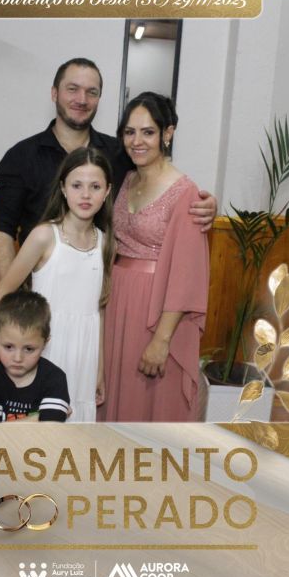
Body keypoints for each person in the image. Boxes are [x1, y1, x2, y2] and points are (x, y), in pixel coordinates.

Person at [0, 57, 216, 281]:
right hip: (38, 292)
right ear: (54, 93)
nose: (82, 99)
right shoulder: (22, 156)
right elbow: (1, 231)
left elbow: (159, 183)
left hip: (103, 292)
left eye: (92, 92)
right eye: (72, 89)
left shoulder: (121, 154)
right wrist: (13, 298)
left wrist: (203, 204)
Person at [99, 92, 209, 422]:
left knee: (150, 402)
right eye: (129, 132)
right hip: (118, 302)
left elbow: (186, 275)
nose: (137, 141)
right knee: (115, 393)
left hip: (159, 310)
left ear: (167, 133)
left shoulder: (186, 193)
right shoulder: (126, 178)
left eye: (148, 132)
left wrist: (162, 340)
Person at [0, 146, 114, 422]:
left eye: (95, 186)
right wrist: (2, 356)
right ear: (63, 188)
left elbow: (99, 308)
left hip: (84, 353)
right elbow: (2, 294)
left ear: (107, 192)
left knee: (75, 428)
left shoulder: (106, 243)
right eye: (77, 185)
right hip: (45, 346)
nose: (85, 195)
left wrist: (99, 368)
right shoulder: (44, 236)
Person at [0, 291, 70, 422]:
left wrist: (0, 428)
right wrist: (38, 417)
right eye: (8, 347)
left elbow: (50, 427)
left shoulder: (55, 378)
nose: (18, 358)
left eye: (29, 349)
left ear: (45, 343)